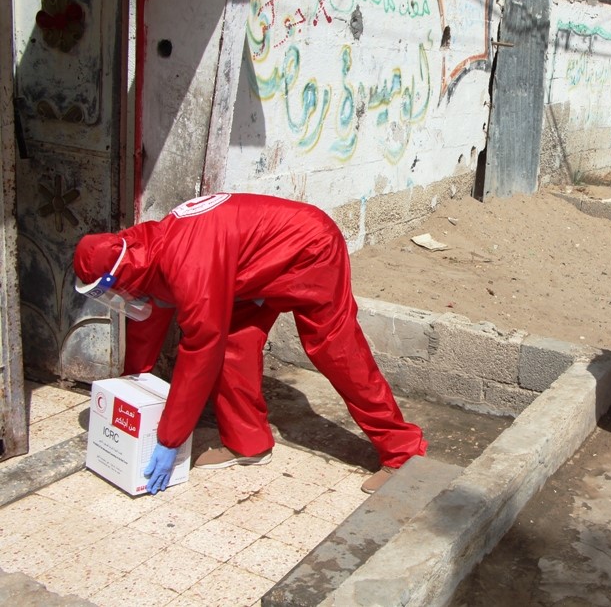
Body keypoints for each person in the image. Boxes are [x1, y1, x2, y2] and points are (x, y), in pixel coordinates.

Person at [73, 193, 427, 495]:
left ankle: (403, 452)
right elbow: (149, 324)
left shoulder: (187, 264)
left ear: (119, 275)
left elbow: (200, 350)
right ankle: (248, 443)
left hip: (309, 247)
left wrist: (169, 439)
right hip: (255, 266)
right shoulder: (145, 251)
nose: (119, 299)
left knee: (337, 350)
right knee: (233, 345)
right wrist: (131, 387)